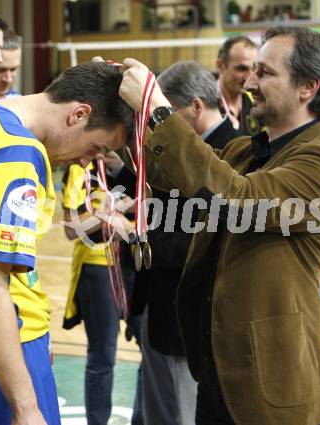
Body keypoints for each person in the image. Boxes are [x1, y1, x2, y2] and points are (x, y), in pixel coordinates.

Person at [117, 25, 320, 425]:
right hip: (220, 376)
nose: (249, 81)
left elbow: (236, 200)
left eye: (265, 72)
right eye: (252, 70)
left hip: (273, 392)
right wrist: (117, 114)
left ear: (308, 87)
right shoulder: (247, 148)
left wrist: (157, 106)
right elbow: (175, 172)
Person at [0, 61, 133, 424]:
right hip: (2, 344)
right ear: (78, 114)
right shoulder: (16, 154)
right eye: (96, 147)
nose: (87, 161)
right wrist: (26, 406)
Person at [125, 61, 241, 425]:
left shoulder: (228, 154)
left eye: (167, 111)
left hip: (184, 324)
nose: (161, 123)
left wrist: (133, 231)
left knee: (177, 414)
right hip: (160, 311)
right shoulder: (192, 149)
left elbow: (197, 244)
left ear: (194, 107)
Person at [61, 161, 140, 425]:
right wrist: (108, 216)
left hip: (135, 264)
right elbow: (71, 229)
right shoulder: (81, 168)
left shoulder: (135, 164)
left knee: (150, 347)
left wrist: (127, 216)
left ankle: (143, 418)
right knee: (103, 353)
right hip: (98, 267)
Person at [216, 36, 262, 134]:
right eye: (242, 68)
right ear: (220, 66)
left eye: (254, 69)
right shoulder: (202, 102)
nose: (249, 77)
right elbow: (174, 113)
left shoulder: (256, 101)